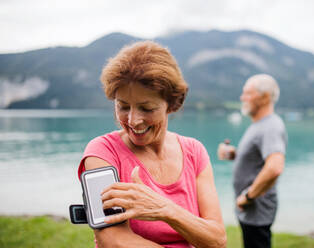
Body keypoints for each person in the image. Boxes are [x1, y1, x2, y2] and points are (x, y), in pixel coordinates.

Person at [78, 41, 226, 248]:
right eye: (123, 106)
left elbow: (217, 240)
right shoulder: (102, 152)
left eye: (146, 108)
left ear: (173, 104)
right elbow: (113, 240)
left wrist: (164, 209)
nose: (133, 120)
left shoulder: (195, 152)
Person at [217, 74, 287, 248]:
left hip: (256, 210)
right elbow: (259, 158)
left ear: (264, 97)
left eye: (247, 93)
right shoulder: (260, 124)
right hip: (251, 211)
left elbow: (275, 167)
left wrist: (248, 196)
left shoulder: (271, 126)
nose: (242, 98)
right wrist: (235, 154)